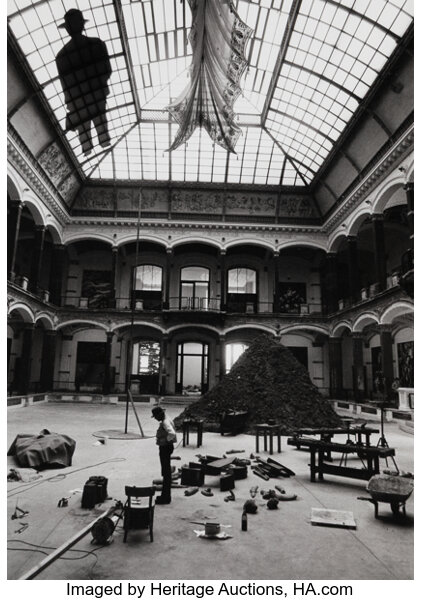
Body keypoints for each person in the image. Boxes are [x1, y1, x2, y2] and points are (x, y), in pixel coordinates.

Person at [56, 9, 112, 156]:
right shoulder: (97, 44)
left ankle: (87, 149)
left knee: (83, 127)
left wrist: (70, 102)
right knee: (100, 119)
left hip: (78, 101)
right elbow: (107, 70)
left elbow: (65, 84)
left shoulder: (62, 55)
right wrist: (98, 86)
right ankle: (104, 141)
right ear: (82, 25)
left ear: (67, 29)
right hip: (97, 94)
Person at [151, 406, 177, 504]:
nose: (155, 419)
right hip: (167, 447)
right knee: (166, 472)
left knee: (166, 473)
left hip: (165, 448)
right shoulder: (167, 418)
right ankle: (165, 495)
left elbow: (172, 433)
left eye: (155, 417)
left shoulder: (165, 422)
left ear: (160, 415)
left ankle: (166, 497)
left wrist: (165, 440)